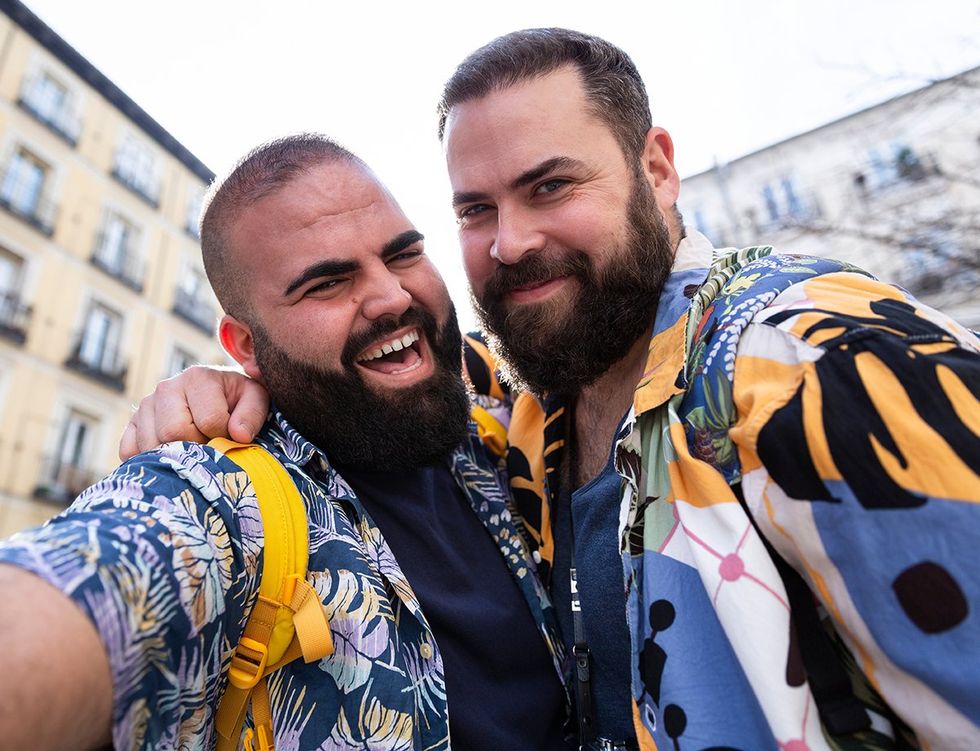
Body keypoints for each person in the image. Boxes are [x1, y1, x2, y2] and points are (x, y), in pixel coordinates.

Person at [125, 29, 980, 751]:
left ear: (657, 169)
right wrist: (230, 388)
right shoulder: (524, 409)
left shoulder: (808, 359)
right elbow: (370, 370)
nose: (510, 241)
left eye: (551, 186)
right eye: (474, 210)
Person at [0, 135, 572, 751]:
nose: (392, 297)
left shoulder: (505, 425)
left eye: (403, 254)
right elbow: (105, 578)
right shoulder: (218, 494)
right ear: (245, 346)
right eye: (327, 284)